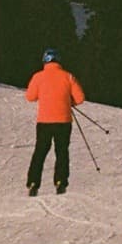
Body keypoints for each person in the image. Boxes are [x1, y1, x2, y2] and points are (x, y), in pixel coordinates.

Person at [25, 47, 85, 196]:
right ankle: (60, 182)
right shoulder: (68, 76)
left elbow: (30, 97)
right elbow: (80, 98)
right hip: (63, 120)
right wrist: (69, 102)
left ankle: (33, 183)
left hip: (44, 121)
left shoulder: (38, 77)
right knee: (62, 152)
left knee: (40, 151)